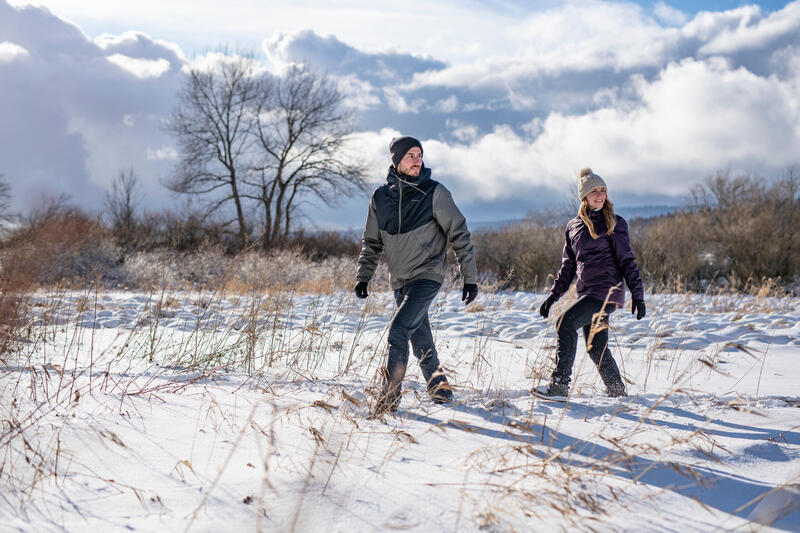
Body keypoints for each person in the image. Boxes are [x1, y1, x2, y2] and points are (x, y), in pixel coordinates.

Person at [356, 136, 478, 413]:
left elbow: (459, 232)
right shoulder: (380, 198)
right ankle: (440, 389)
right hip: (399, 279)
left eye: (419, 154)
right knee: (419, 336)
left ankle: (389, 398)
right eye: (410, 154)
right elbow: (372, 242)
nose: (417, 159)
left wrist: (469, 275)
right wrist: (363, 275)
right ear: (397, 160)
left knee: (399, 330)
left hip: (428, 274)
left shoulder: (434, 192)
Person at [537, 168, 646, 398]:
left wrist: (638, 295)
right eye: (594, 191)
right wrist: (553, 296)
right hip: (587, 293)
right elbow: (568, 267)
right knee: (596, 347)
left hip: (607, 292)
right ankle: (617, 393)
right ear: (584, 196)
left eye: (603, 190)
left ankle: (559, 386)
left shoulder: (615, 223)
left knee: (565, 323)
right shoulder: (574, 227)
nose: (600, 195)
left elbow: (627, 260)